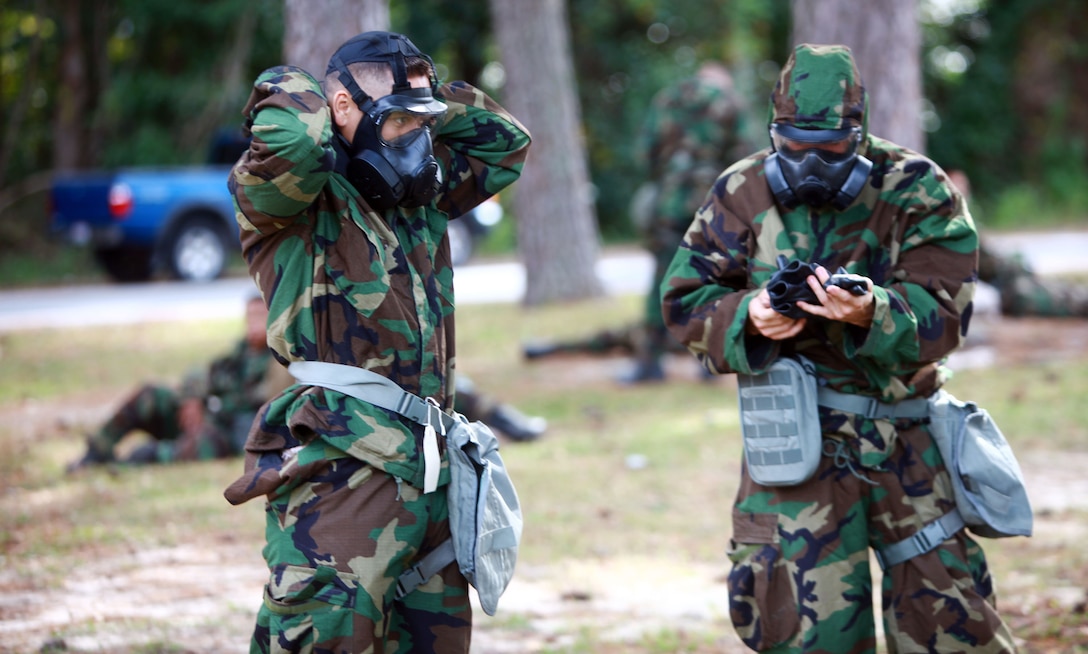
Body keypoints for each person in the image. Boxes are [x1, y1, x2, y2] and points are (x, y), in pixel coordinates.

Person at [660, 44, 1018, 652]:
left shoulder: (917, 188)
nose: (809, 164)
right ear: (774, 130)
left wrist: (873, 312)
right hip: (792, 444)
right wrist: (749, 316)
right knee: (806, 636)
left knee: (954, 632)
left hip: (908, 445)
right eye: (792, 145)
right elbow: (683, 301)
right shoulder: (742, 190)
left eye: (829, 149)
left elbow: (947, 317)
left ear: (859, 131)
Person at [221, 31, 530, 653]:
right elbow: (295, 137)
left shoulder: (421, 198)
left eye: (423, 123)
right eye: (398, 123)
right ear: (340, 110)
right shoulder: (287, 202)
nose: (414, 139)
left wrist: (422, 92)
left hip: (428, 469)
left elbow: (506, 146)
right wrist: (304, 86)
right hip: (342, 470)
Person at [524, 61, 750, 383]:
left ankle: (650, 363)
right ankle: (709, 363)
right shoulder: (731, 103)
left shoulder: (669, 99)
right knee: (711, 279)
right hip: (712, 207)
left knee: (663, 282)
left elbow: (645, 155)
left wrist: (670, 178)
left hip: (669, 205)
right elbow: (745, 159)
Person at [67, 294, 283, 470]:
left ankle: (129, 462)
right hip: (205, 419)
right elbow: (199, 374)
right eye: (250, 316)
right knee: (150, 395)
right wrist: (193, 398)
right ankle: (97, 451)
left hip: (229, 435)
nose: (254, 323)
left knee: (190, 448)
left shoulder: (280, 361)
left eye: (260, 315)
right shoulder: (236, 356)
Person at [947, 169, 1088, 318]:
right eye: (957, 185)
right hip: (1008, 287)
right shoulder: (950, 226)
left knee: (1061, 289)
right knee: (1047, 297)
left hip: (1011, 279)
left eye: (964, 185)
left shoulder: (962, 221)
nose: (962, 190)